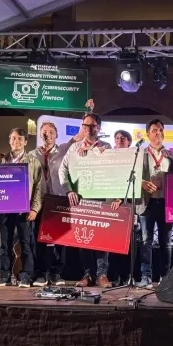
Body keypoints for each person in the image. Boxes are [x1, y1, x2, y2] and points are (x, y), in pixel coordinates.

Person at [58, 112, 113, 288]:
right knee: (84, 238)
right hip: (81, 199)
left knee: (102, 238)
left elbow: (115, 170)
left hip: (101, 198)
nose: (88, 128)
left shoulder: (106, 146)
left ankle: (102, 275)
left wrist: (99, 154)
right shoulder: (74, 148)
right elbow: (62, 170)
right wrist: (69, 190)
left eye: (92, 125)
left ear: (98, 128)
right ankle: (88, 274)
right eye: (85, 125)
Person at [29, 116, 82, 287]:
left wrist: (89, 111)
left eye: (51, 132)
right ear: (40, 134)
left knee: (60, 240)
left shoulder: (65, 149)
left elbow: (80, 135)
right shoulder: (32, 155)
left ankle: (56, 273)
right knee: (41, 239)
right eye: (44, 132)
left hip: (59, 200)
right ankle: (41, 273)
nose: (48, 135)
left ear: (56, 135)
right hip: (40, 202)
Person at [0, 128, 44, 288]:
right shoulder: (1, 161)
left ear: (25, 142)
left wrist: (35, 209)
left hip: (24, 209)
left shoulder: (33, 162)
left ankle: (26, 277)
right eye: (13, 138)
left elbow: (39, 187)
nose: (16, 141)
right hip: (4, 209)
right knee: (5, 243)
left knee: (26, 243)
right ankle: (4, 276)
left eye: (20, 139)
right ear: (9, 141)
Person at [135, 119, 173, 289]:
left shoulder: (171, 155)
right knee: (146, 241)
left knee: (166, 242)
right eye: (154, 130)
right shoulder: (140, 154)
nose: (158, 133)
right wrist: (142, 183)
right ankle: (146, 277)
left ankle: (165, 277)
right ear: (148, 134)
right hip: (147, 203)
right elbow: (131, 176)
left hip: (166, 203)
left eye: (160, 130)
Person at [108, 129, 141, 285]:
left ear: (129, 142)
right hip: (111, 205)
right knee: (113, 242)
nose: (120, 140)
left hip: (128, 205)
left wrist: (120, 198)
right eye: (117, 138)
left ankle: (127, 275)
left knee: (128, 243)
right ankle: (114, 277)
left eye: (123, 138)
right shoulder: (109, 157)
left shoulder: (134, 158)